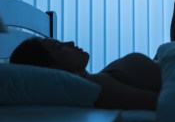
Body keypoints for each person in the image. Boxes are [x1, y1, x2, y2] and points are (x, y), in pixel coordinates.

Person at [10, 37, 160, 110]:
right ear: (51, 68)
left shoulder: (99, 80)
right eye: (59, 46)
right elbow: (164, 102)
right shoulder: (97, 86)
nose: (70, 43)